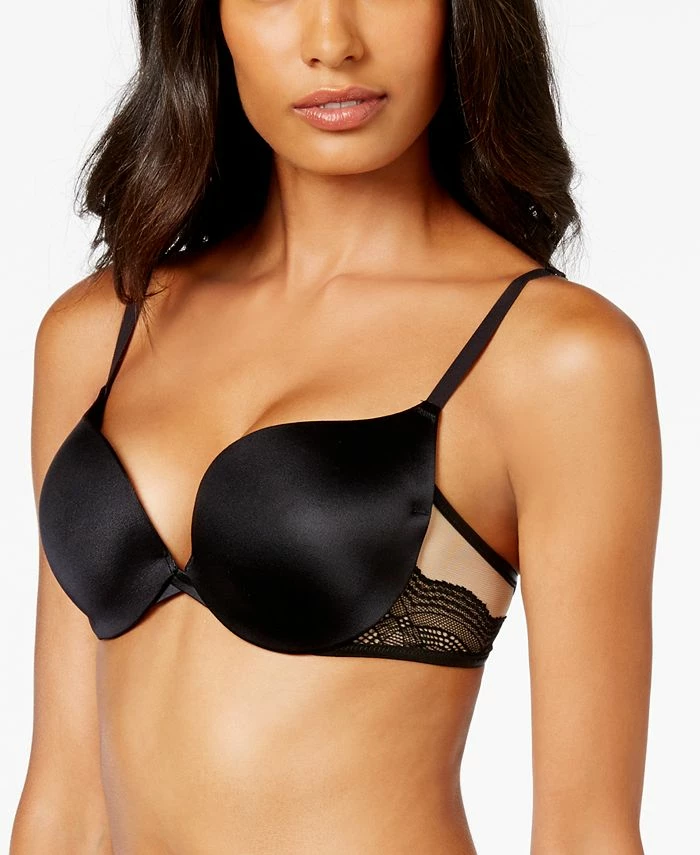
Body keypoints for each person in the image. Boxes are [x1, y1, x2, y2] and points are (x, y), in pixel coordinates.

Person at [11, 0, 661, 853]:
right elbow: (62, 800)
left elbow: (586, 832)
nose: (333, 42)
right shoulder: (99, 334)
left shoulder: (554, 358)